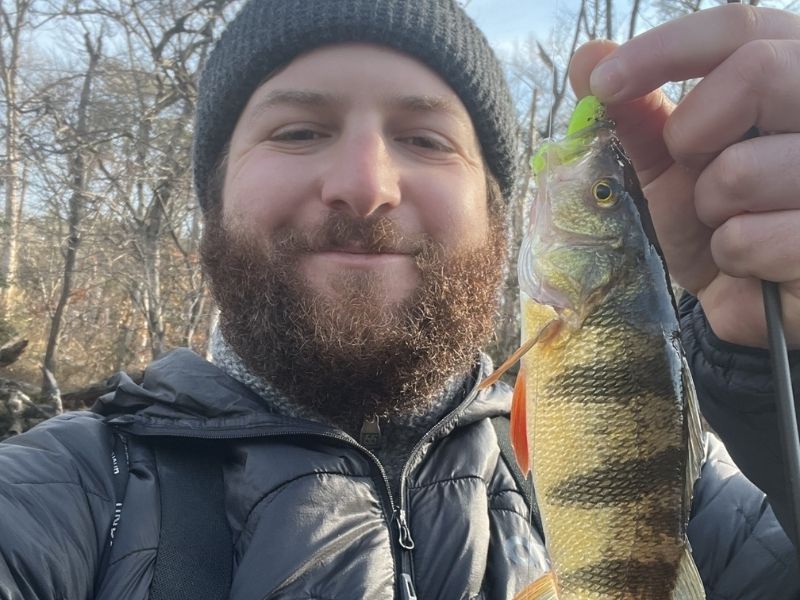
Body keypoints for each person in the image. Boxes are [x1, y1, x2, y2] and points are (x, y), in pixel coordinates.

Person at [1, 0, 798, 598]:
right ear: (213, 196)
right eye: (299, 130)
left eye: (424, 139)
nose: (364, 186)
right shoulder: (52, 500)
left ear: (498, 209)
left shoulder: (698, 488)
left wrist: (778, 378)